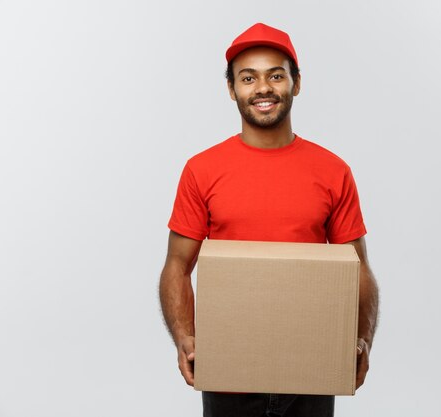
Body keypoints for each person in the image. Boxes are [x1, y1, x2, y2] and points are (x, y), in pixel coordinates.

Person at [159, 22, 379, 417]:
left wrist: (363, 338)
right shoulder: (202, 170)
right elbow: (177, 264)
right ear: (232, 90)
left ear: (296, 84)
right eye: (248, 78)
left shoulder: (333, 171)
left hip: (312, 368)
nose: (262, 88)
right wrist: (185, 336)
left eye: (276, 75)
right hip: (230, 369)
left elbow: (357, 267)